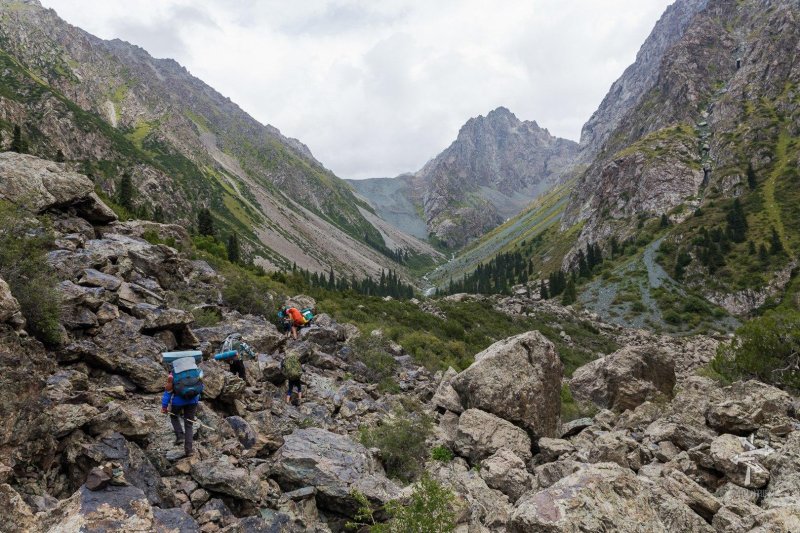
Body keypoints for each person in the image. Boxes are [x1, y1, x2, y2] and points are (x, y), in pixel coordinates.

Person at [161, 361, 203, 457]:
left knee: (174, 416)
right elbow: (201, 386)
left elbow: (167, 393)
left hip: (178, 402)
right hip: (193, 402)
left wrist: (164, 407)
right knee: (189, 424)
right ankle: (189, 451)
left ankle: (180, 436)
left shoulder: (173, 375)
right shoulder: (195, 372)